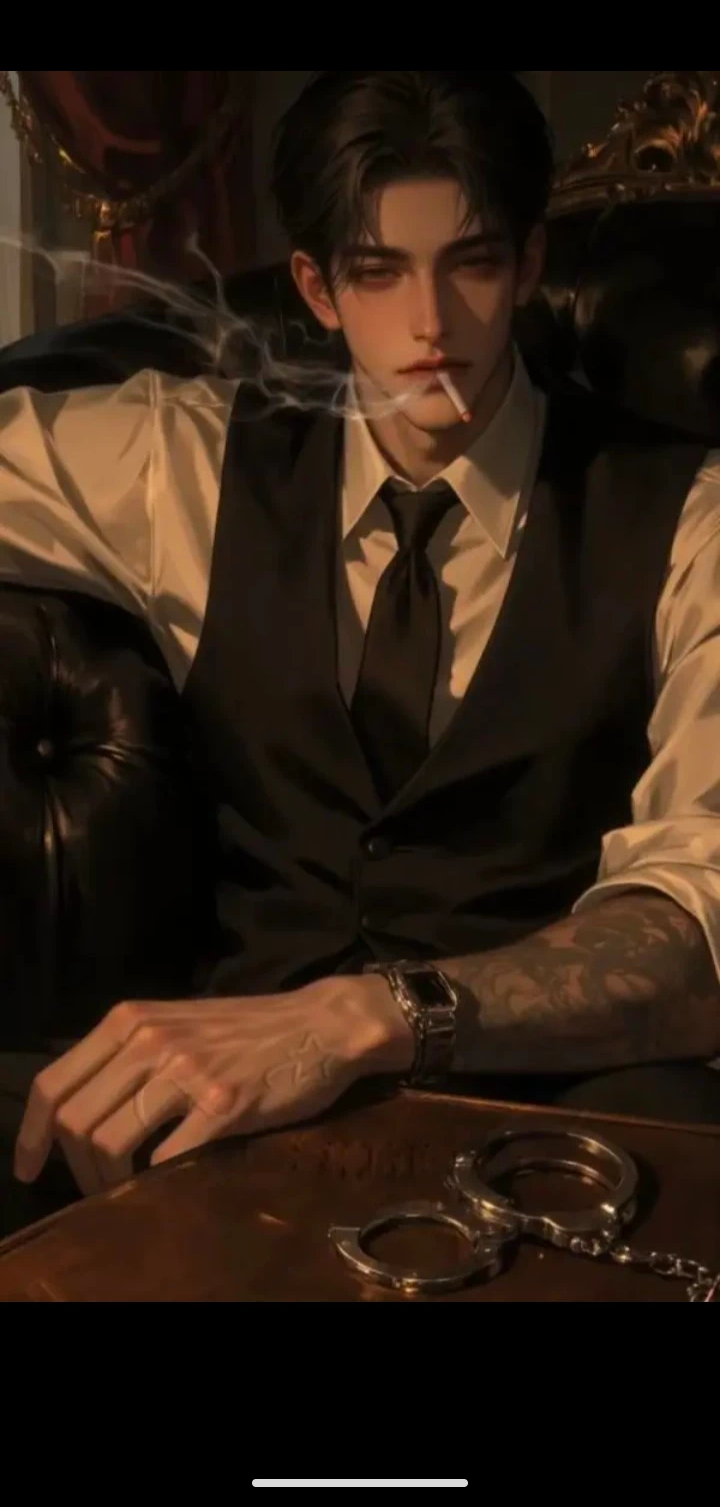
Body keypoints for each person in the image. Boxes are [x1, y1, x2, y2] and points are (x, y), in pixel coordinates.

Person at [1, 69, 720, 1224]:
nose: (431, 324)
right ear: (318, 287)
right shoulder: (182, 463)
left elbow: (695, 930)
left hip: (544, 1119)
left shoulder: (689, 517)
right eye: (380, 271)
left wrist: (368, 1015)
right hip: (230, 1112)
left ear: (528, 263)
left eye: (470, 263)